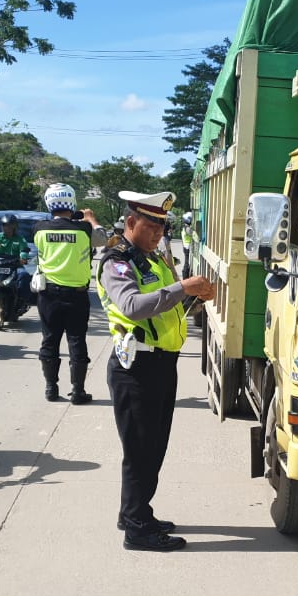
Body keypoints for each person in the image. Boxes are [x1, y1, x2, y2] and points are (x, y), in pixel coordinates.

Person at [96, 190, 214, 552]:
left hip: (162, 364)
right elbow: (132, 306)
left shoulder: (154, 260)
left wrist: (193, 297)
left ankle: (134, 512)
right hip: (137, 368)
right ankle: (138, 529)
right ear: (131, 222)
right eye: (150, 227)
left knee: (153, 448)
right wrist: (182, 287)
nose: (158, 234)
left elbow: (166, 309)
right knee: (141, 451)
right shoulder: (117, 263)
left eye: (162, 228)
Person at [32, 183, 106, 404]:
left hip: (48, 295)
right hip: (77, 295)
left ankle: (50, 388)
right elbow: (102, 240)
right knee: (76, 341)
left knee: (49, 340)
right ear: (71, 203)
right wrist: (91, 218)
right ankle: (78, 391)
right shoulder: (83, 229)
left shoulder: (39, 228)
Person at [0, 214, 32, 312]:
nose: (6, 228)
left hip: (14, 264)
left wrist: (23, 257)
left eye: (8, 225)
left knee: (24, 275)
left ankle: (23, 301)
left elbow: (24, 250)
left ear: (14, 226)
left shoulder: (20, 238)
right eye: (4, 225)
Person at [179, 211, 195, 279]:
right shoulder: (187, 228)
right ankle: (185, 278)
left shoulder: (185, 227)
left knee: (187, 262)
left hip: (186, 247)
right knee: (187, 263)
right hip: (187, 247)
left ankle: (186, 277)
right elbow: (192, 234)